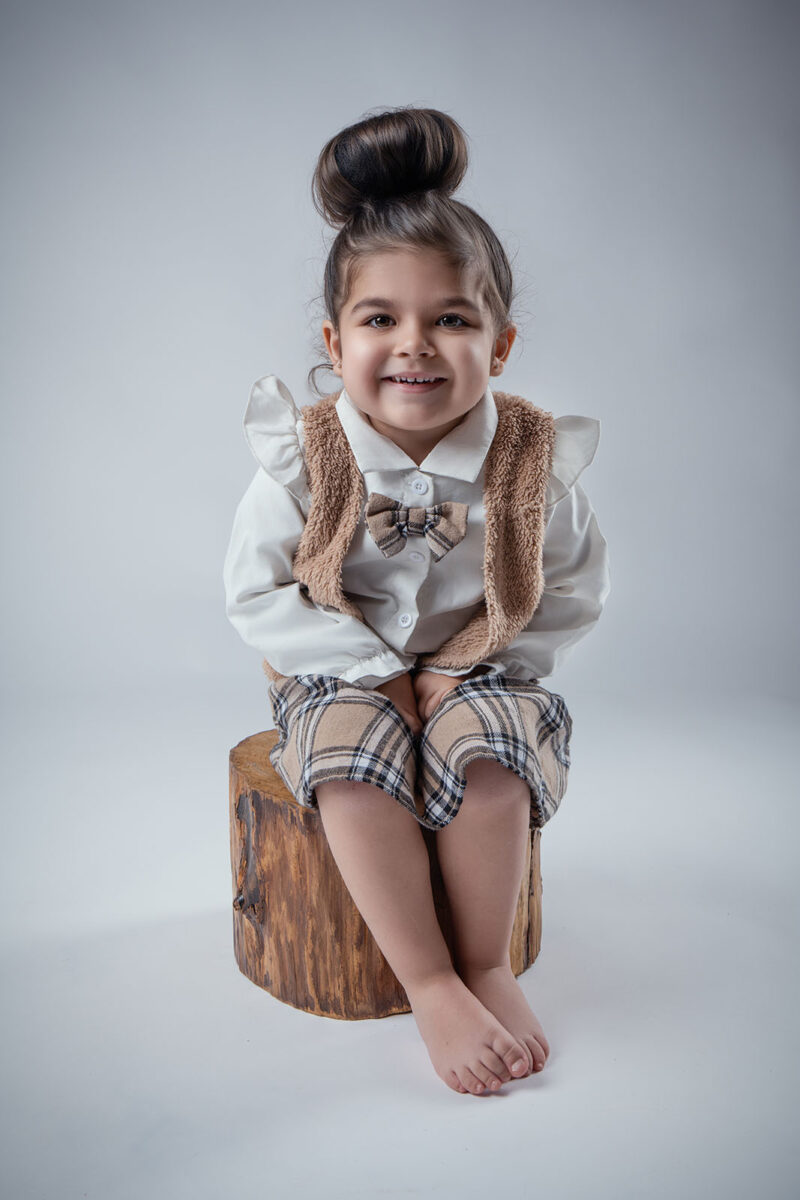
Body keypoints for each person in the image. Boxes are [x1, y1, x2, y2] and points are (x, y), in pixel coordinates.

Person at [223, 106, 611, 1097]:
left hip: (480, 663)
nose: (415, 346)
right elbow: (256, 589)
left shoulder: (528, 462)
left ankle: (484, 959)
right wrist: (372, 671)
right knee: (350, 766)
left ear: (500, 342)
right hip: (334, 663)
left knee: (490, 761)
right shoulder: (305, 457)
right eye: (379, 319)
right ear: (334, 337)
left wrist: (468, 668)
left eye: (451, 319)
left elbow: (571, 584)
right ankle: (429, 981)